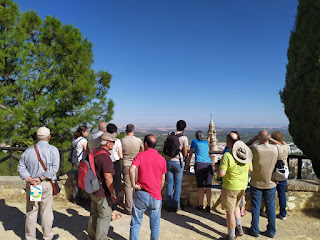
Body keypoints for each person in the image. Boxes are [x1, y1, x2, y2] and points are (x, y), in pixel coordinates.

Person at [17, 127, 60, 240]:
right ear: (49, 137)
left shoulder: (29, 150)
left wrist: (29, 178)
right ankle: (47, 236)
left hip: (33, 185)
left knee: (32, 210)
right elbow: (54, 168)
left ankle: (30, 237)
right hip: (45, 183)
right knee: (46, 210)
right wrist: (40, 178)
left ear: (37, 137)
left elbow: (21, 166)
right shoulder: (53, 150)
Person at [129, 135, 167, 240]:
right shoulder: (162, 159)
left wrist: (133, 185)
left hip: (141, 193)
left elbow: (131, 170)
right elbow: (163, 179)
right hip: (155, 195)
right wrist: (158, 190)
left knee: (136, 223)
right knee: (155, 225)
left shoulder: (140, 156)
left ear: (145, 144)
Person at [216, 132, 252, 240]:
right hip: (243, 185)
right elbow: (251, 169)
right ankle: (239, 228)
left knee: (229, 212)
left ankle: (231, 235)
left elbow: (222, 173)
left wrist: (216, 168)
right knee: (236, 206)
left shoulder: (227, 155)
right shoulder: (246, 153)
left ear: (228, 142)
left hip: (231, 186)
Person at [246, 130, 278, 238]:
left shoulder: (255, 148)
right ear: (268, 138)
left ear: (259, 138)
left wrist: (254, 139)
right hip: (271, 183)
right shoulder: (275, 148)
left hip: (256, 182)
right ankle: (271, 231)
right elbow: (284, 145)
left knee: (255, 207)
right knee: (270, 207)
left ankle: (254, 230)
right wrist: (270, 139)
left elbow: (243, 147)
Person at [87, 132, 117, 240]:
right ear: (107, 143)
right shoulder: (105, 157)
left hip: (92, 189)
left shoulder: (93, 152)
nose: (113, 145)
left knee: (94, 214)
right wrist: (113, 193)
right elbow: (108, 177)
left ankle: (91, 236)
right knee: (104, 217)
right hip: (102, 192)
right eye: (113, 142)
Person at [186, 130, 213, 213]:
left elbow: (190, 154)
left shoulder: (194, 142)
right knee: (208, 187)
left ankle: (201, 205)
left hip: (200, 164)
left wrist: (187, 165)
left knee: (201, 186)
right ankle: (208, 206)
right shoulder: (206, 143)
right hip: (209, 164)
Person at [164, 120, 188, 212]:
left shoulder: (170, 135)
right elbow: (185, 153)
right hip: (178, 162)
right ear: (184, 128)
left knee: (169, 183)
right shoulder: (184, 138)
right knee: (178, 184)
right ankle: (176, 205)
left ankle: (168, 205)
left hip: (169, 161)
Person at [121, 124, 144, 215]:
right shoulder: (138, 140)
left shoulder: (122, 140)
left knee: (127, 186)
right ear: (133, 131)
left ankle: (129, 208)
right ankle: (137, 205)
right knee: (137, 185)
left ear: (126, 131)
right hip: (136, 164)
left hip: (126, 164)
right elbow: (142, 151)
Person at [271, 130, 290, 220]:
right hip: (283, 174)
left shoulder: (273, 149)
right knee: (282, 194)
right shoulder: (286, 148)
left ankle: (269, 212)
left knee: (270, 195)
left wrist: (270, 139)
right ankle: (283, 214)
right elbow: (284, 144)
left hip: (273, 174)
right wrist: (279, 140)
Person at [106, 123, 123, 221]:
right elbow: (120, 156)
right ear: (114, 132)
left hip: (106, 163)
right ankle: (113, 211)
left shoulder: (103, 141)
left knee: (106, 186)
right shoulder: (117, 141)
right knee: (115, 187)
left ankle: (106, 209)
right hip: (115, 164)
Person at [71, 126, 89, 201]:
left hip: (76, 161)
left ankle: (75, 196)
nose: (88, 133)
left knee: (79, 179)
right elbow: (87, 151)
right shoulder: (84, 141)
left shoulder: (75, 140)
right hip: (82, 162)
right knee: (82, 179)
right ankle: (78, 197)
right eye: (87, 131)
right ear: (83, 132)